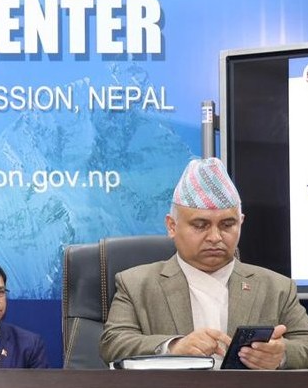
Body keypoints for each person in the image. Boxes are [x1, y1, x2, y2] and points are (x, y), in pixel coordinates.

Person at [100, 158, 308, 369]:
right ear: (172, 226)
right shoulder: (136, 284)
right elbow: (113, 343)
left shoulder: (277, 287)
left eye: (227, 225)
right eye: (200, 225)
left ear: (241, 222)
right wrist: (173, 347)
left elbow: (304, 343)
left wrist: (280, 355)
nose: (215, 237)